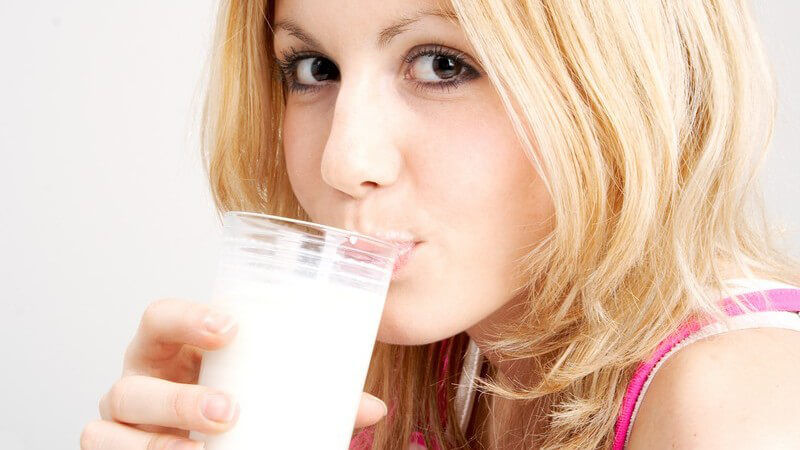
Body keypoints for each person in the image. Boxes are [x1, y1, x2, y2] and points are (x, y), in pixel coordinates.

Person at [80, 0, 800, 448]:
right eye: (312, 69)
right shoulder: (401, 363)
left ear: (626, 86)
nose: (344, 158)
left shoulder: (738, 407)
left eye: (443, 62)